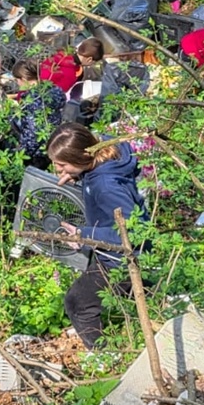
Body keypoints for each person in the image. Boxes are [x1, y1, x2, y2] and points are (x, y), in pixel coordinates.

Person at [46, 123, 148, 349]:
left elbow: (134, 231)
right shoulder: (101, 163)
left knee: (77, 303)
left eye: (62, 165)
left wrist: (84, 234)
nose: (59, 171)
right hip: (113, 254)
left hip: (123, 261)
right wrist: (79, 179)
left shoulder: (104, 184)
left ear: (81, 156)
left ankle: (104, 355)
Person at [12, 60, 66, 167]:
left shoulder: (31, 100)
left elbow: (32, 133)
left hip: (38, 154)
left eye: (17, 80)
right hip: (54, 143)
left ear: (23, 79)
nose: (17, 84)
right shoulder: (53, 90)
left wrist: (21, 153)